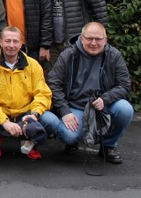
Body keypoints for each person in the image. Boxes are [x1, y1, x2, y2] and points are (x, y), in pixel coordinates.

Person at [41, 22, 133, 164]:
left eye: (98, 39)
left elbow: (124, 85)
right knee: (69, 136)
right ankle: (73, 140)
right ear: (82, 38)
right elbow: (53, 82)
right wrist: (65, 111)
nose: (94, 43)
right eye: (89, 38)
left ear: (105, 39)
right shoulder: (69, 54)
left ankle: (108, 146)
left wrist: (105, 98)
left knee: (125, 109)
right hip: (75, 106)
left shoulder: (114, 55)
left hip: (102, 105)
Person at [0, 27, 52, 160]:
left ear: (21, 43)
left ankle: (29, 141)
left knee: (52, 121)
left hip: (25, 113)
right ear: (0, 42)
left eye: (15, 41)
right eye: (7, 41)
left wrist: (34, 115)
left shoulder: (33, 65)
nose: (11, 45)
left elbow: (43, 93)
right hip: (1, 113)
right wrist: (4, 122)